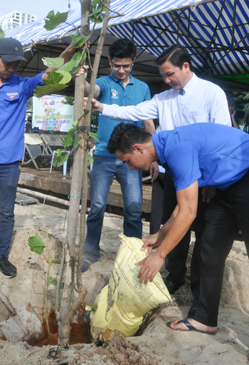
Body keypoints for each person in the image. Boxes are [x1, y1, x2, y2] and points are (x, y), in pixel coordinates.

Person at [106, 122, 249, 363]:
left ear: (138, 148)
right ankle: (205, 319)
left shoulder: (177, 149)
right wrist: (160, 235)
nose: (130, 167)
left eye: (127, 161)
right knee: (209, 246)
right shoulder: (167, 148)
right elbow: (184, 203)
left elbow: (188, 212)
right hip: (229, 187)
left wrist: (159, 256)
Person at [87, 45, 232, 308]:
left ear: (186, 67)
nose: (166, 80)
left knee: (204, 233)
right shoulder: (163, 99)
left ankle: (199, 290)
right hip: (172, 171)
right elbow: (133, 111)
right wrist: (102, 107)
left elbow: (222, 135)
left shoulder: (212, 93)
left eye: (170, 74)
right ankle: (174, 277)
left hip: (205, 178)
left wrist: (213, 180)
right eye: (163, 76)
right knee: (170, 224)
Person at [0, 38, 77, 285]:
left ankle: (0, 255)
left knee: (7, 212)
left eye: (16, 64)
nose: (12, 68)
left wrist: (72, 49)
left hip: (9, 162)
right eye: (8, 63)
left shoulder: (22, 86)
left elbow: (48, 73)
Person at [79, 38, 155, 272]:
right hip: (104, 155)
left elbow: (148, 120)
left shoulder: (142, 88)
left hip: (132, 159)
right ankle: (91, 251)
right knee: (98, 205)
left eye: (127, 66)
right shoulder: (102, 82)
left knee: (133, 206)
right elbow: (92, 90)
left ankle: (131, 254)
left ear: (134, 63)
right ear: (109, 61)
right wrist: (82, 79)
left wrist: (155, 156)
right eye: (117, 66)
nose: (121, 71)